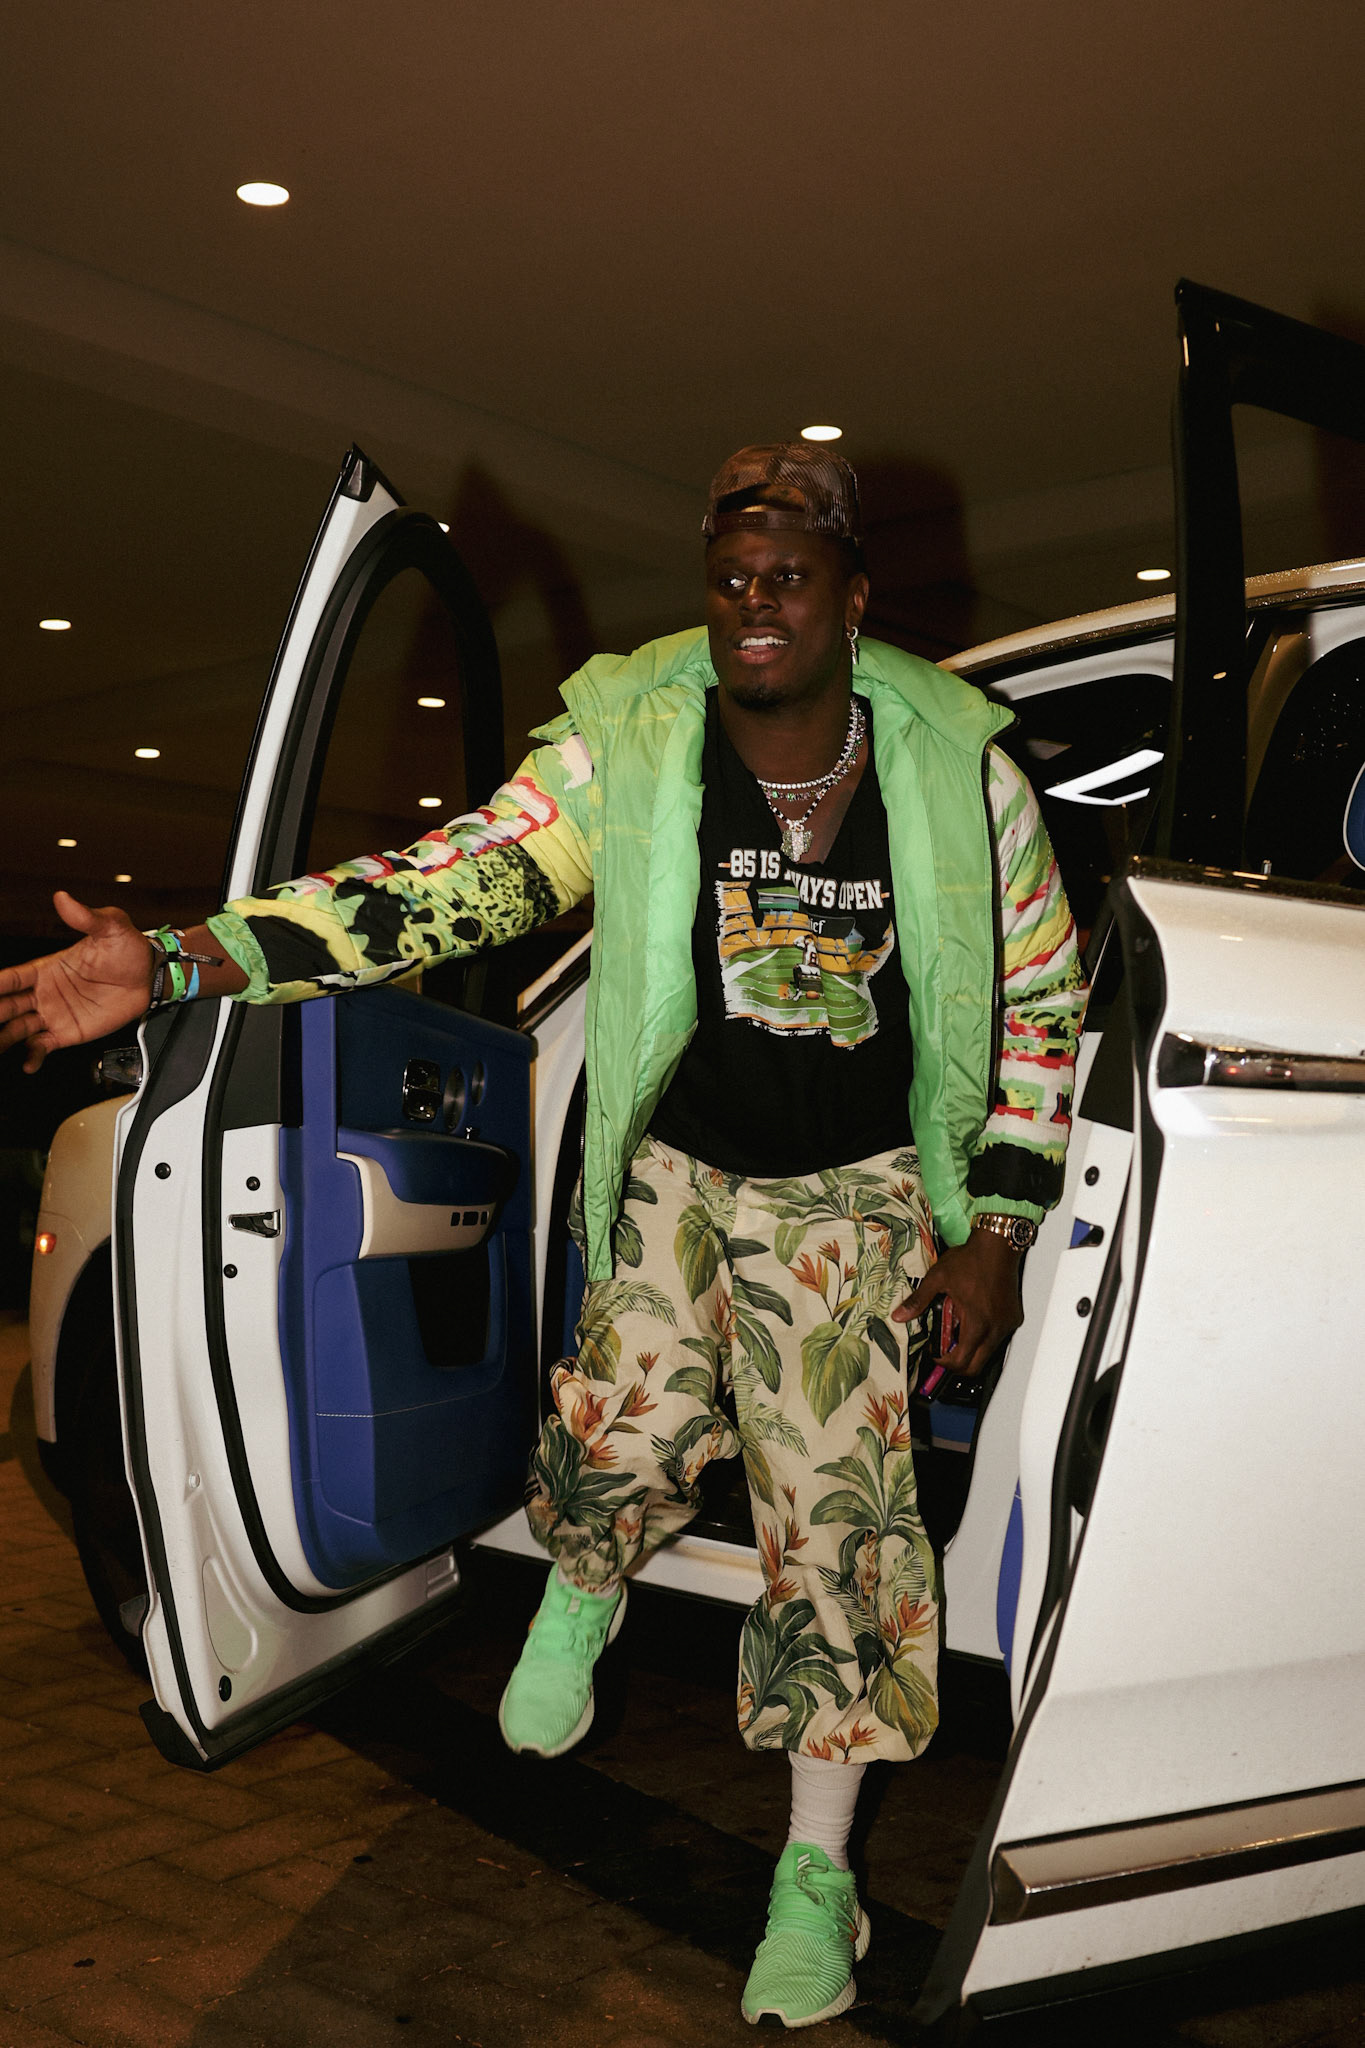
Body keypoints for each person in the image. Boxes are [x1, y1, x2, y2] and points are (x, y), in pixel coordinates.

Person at [0, 443, 1085, 2029]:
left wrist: (991, 1226)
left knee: (840, 1542)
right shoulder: (630, 735)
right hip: (675, 1170)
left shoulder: (959, 767)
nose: (753, 603)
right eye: (729, 575)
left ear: (853, 596)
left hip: (854, 1195)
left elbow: (1040, 1005)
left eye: (788, 575)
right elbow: (440, 888)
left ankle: (816, 1874)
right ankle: (584, 1584)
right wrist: (180, 962)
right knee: (618, 1425)